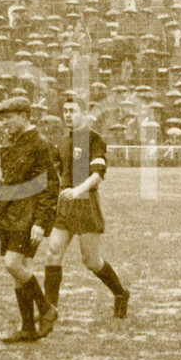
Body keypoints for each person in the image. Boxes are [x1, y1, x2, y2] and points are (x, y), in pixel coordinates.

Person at [42, 98, 130, 322]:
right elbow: (58, 175)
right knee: (52, 252)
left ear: (84, 114)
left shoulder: (93, 139)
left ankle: (121, 293)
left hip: (85, 203)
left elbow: (98, 174)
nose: (68, 115)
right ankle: (49, 310)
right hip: (65, 204)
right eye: (65, 111)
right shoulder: (61, 142)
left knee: (90, 261)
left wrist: (78, 190)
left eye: (72, 111)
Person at [0, 97, 60, 343]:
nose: (4, 122)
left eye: (9, 116)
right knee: (20, 271)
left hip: (28, 217)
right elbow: (4, 182)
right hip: (9, 215)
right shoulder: (9, 143)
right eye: (3, 117)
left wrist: (40, 222)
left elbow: (50, 187)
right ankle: (28, 328)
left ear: (25, 115)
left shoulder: (41, 144)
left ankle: (47, 308)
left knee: (12, 264)